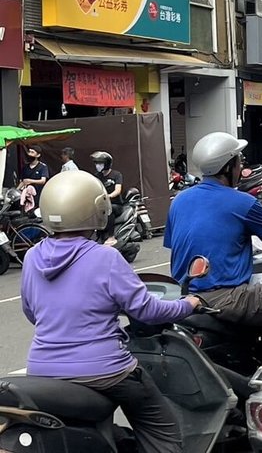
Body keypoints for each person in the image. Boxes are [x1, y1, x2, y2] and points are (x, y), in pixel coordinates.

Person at [21, 170, 202, 453]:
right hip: (106, 371)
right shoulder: (105, 257)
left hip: (43, 373)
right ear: (97, 209)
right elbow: (147, 310)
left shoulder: (32, 257)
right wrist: (187, 305)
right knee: (161, 429)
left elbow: (32, 312)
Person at [165, 132, 262, 325]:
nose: (241, 167)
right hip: (227, 297)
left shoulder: (178, 201)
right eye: (239, 161)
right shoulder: (243, 203)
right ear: (228, 167)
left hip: (183, 294)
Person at [91, 151, 123, 241]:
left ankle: (111, 236)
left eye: (100, 163)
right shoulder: (97, 176)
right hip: (101, 203)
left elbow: (118, 190)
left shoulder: (116, 175)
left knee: (109, 209)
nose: (97, 165)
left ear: (106, 164)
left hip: (115, 204)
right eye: (96, 163)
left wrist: (109, 196)